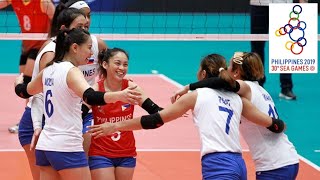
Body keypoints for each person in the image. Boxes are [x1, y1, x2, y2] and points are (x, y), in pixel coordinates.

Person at [88, 54, 285, 180]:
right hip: (239, 164)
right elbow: (272, 123)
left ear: (204, 73)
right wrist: (278, 124)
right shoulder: (237, 99)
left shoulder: (197, 96)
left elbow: (154, 120)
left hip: (218, 164)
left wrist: (115, 127)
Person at [14, 28, 142, 180]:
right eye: (88, 48)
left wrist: (18, 84)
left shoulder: (48, 70)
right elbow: (90, 96)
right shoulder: (72, 71)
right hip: (66, 146)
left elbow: (24, 92)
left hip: (45, 146)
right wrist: (120, 95)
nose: (91, 53)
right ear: (75, 48)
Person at [173, 52, 299, 180]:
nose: (225, 70)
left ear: (236, 72)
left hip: (274, 165)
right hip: (286, 159)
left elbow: (219, 82)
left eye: (229, 66)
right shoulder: (261, 90)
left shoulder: (245, 87)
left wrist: (189, 87)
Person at [16, 7, 88, 180]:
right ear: (64, 29)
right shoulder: (52, 53)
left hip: (52, 127)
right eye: (80, 26)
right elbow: (40, 94)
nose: (84, 30)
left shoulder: (70, 51)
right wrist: (37, 126)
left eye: (86, 26)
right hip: (38, 125)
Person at [87, 48, 163, 180]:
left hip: (126, 152)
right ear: (105, 64)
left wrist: (176, 110)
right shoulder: (96, 89)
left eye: (125, 64)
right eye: (117, 63)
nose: (122, 68)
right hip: (100, 152)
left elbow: (155, 110)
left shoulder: (132, 87)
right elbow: (78, 114)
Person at [60, 0, 108, 155]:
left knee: (84, 157)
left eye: (89, 16)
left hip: (86, 108)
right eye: (82, 16)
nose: (87, 20)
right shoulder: (55, 48)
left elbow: (108, 73)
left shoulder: (97, 44)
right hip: (62, 110)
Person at [0, 0, 55, 133]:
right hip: (27, 45)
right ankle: (34, 118)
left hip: (40, 46)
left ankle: (29, 120)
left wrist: (51, 41)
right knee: (27, 85)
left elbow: (56, 18)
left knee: (28, 84)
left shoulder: (43, 2)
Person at [250, 0, 307, 100]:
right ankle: (257, 85)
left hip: (283, 4)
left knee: (285, 47)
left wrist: (303, 1)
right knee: (257, 46)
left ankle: (286, 87)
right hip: (258, 3)